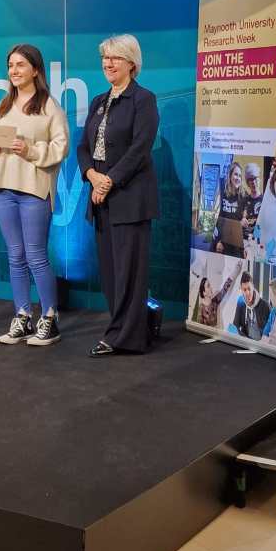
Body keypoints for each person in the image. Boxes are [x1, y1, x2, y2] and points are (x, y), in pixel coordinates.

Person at [77, 34, 159, 357]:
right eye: (105, 58)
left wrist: (109, 181)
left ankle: (124, 337)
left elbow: (140, 149)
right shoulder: (99, 101)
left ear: (132, 64)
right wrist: (92, 176)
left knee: (129, 273)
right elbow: (84, 147)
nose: (108, 64)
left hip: (130, 198)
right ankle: (123, 328)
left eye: (115, 58)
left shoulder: (143, 99)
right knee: (111, 272)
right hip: (101, 198)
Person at [0, 44, 69, 346]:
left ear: (35, 69)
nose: (14, 70)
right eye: (10, 65)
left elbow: (61, 147)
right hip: (4, 187)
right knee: (15, 255)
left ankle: (49, 317)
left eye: (20, 65)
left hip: (34, 189)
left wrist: (30, 149)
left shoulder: (49, 106)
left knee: (35, 255)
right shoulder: (4, 104)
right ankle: (22, 315)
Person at [195, 258, 242, 329]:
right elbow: (199, 329)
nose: (211, 288)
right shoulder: (201, 309)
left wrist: (235, 271)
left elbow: (225, 287)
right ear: (204, 293)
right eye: (208, 286)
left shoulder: (215, 301)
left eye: (210, 285)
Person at [214, 161, 245, 257]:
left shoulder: (243, 196)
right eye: (235, 174)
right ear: (230, 176)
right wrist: (217, 241)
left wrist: (244, 219)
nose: (238, 178)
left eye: (240, 176)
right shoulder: (222, 194)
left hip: (236, 245)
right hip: (222, 243)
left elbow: (245, 218)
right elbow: (217, 220)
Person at [232, 271, 270, 341]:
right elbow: (235, 326)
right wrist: (244, 338)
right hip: (246, 342)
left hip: (261, 343)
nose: (247, 293)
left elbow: (269, 333)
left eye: (249, 289)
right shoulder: (241, 302)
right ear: (241, 290)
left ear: (253, 287)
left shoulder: (265, 306)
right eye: (244, 290)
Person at [241, 162, 263, 240]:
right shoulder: (244, 200)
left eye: (255, 178)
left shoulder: (265, 200)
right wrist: (241, 221)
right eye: (250, 179)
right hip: (246, 240)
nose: (253, 182)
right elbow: (239, 219)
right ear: (247, 183)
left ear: (259, 179)